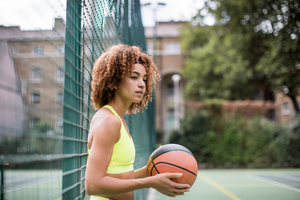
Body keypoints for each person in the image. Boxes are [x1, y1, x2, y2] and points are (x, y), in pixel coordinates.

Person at [85, 44, 190, 200]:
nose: (141, 84)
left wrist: (150, 169)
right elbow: (93, 185)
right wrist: (149, 182)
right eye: (134, 77)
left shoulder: (117, 119)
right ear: (114, 79)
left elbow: (118, 176)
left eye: (144, 78)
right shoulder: (109, 121)